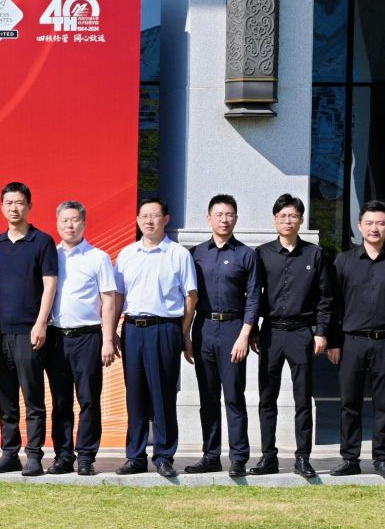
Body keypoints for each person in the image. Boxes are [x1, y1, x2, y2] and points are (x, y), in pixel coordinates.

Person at [327, 200, 385, 480]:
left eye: (380, 223)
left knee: (384, 405)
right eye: (369, 223)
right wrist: (333, 341)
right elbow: (333, 304)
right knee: (349, 404)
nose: (374, 228)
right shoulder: (344, 261)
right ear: (359, 226)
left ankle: (382, 459)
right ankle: (349, 458)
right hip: (351, 343)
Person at [113, 196, 197, 477]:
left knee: (162, 394)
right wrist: (111, 332)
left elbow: (191, 297)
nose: (149, 221)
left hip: (165, 329)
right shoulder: (127, 254)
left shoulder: (178, 254)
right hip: (133, 329)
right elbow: (118, 296)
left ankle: (163, 455)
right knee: (135, 394)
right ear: (137, 220)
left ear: (166, 219)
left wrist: (183, 332)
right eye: (144, 216)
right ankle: (135, 456)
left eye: (154, 215)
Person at [253, 194, 333, 479]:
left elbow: (325, 298)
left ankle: (302, 457)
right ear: (275, 220)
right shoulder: (262, 254)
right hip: (271, 332)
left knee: (302, 398)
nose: (288, 221)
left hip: (302, 332)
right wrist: (253, 330)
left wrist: (321, 332)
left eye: (293, 216)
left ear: (301, 220)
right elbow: (254, 295)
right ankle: (268, 456)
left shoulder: (314, 254)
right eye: (283, 216)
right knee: (267, 397)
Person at [0, 182, 60, 476]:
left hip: (30, 332)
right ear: (1, 207)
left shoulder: (42, 241)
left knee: (33, 398)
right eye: (9, 203)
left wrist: (41, 323)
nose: (14, 208)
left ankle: (34, 455)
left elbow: (50, 284)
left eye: (19, 202)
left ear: (29, 206)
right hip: (1, 333)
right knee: (6, 398)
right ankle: (9, 453)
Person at [188, 194, 261, 476]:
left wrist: (245, 335)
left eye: (229, 214)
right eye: (218, 214)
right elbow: (189, 297)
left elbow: (253, 297)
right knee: (207, 397)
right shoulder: (196, 254)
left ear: (236, 219)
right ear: (209, 218)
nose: (224, 220)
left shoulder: (246, 254)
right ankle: (210, 455)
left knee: (233, 395)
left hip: (233, 329)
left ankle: (239, 457)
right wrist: (186, 335)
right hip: (204, 327)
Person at [51, 201, 120, 476]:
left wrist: (107, 338)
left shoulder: (98, 257)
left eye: (75, 220)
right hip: (56, 337)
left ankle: (86, 456)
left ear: (84, 223)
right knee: (60, 400)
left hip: (88, 336)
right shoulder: (50, 255)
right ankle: (63, 455)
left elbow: (108, 300)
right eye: (64, 220)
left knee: (89, 399)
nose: (70, 225)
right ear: (57, 223)